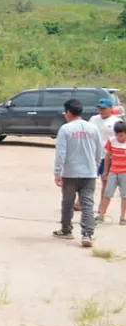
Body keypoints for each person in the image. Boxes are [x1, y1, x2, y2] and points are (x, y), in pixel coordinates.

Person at [53, 99, 103, 248]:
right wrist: (95, 165)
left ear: (68, 112)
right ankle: (87, 234)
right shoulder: (93, 128)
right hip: (89, 173)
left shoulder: (65, 129)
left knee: (68, 202)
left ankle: (66, 229)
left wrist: (57, 172)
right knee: (88, 203)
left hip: (70, 173)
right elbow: (99, 151)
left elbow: (61, 153)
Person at [97, 121, 126, 225]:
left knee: (124, 195)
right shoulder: (111, 141)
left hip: (125, 172)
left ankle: (123, 217)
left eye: (121, 135)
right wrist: (105, 171)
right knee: (107, 194)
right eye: (117, 135)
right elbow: (108, 156)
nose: (119, 137)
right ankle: (101, 215)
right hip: (113, 171)